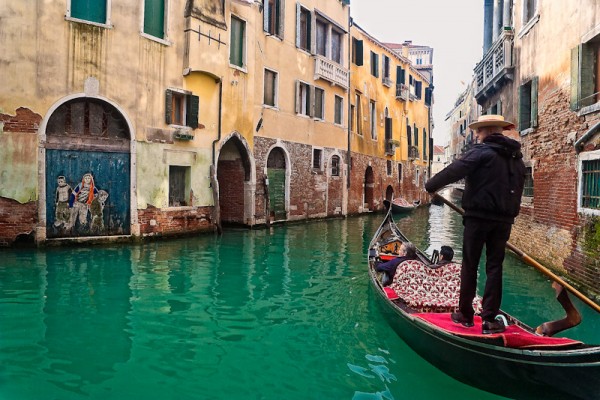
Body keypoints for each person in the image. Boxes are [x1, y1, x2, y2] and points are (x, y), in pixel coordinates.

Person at [425, 115, 526, 335]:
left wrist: (431, 185)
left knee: (470, 265)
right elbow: (519, 187)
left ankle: (465, 314)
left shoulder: (481, 152)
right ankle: (489, 319)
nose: (477, 136)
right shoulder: (516, 158)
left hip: (478, 218)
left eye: (478, 133)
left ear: (486, 131)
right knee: (494, 267)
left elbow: (454, 170)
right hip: (504, 221)